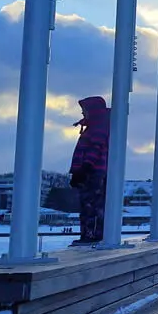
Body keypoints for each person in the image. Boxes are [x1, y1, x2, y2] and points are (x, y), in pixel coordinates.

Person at [69, 96, 110, 245]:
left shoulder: (97, 128)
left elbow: (94, 149)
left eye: (84, 110)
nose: (82, 113)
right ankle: (90, 234)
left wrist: (84, 169)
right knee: (90, 205)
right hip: (92, 172)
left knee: (91, 205)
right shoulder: (97, 126)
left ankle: (92, 235)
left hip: (93, 173)